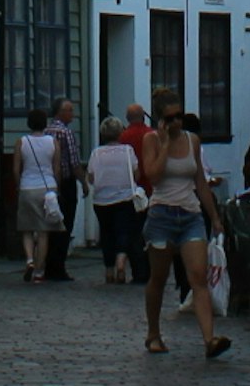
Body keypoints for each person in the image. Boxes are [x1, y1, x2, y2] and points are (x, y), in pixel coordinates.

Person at [136, 94, 231, 360]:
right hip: (161, 214)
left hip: (190, 214)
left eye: (180, 116)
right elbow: (152, 175)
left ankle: (209, 339)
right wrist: (165, 143)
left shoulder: (193, 141)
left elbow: (200, 181)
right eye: (170, 118)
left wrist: (213, 216)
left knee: (198, 277)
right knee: (158, 277)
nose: (177, 122)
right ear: (160, 119)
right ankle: (153, 334)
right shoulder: (151, 140)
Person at [87, 125, 148, 287]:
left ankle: (109, 269)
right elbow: (136, 173)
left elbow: (91, 177)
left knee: (107, 234)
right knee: (124, 231)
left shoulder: (96, 153)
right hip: (124, 198)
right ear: (119, 133)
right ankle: (121, 262)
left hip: (101, 200)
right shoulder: (127, 150)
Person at [12, 105, 67, 283]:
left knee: (27, 229)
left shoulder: (22, 142)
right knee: (44, 232)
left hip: (27, 187)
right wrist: (56, 188)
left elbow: (15, 169)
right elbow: (56, 168)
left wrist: (18, 185)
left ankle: (29, 259)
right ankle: (39, 272)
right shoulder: (53, 142)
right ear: (45, 124)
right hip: (47, 188)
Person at [47, 97, 83, 280]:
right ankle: (58, 267)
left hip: (48, 183)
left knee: (50, 225)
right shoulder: (66, 133)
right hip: (66, 182)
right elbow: (74, 162)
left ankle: (47, 264)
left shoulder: (46, 131)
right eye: (70, 110)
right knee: (65, 223)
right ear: (60, 113)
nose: (73, 114)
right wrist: (83, 182)